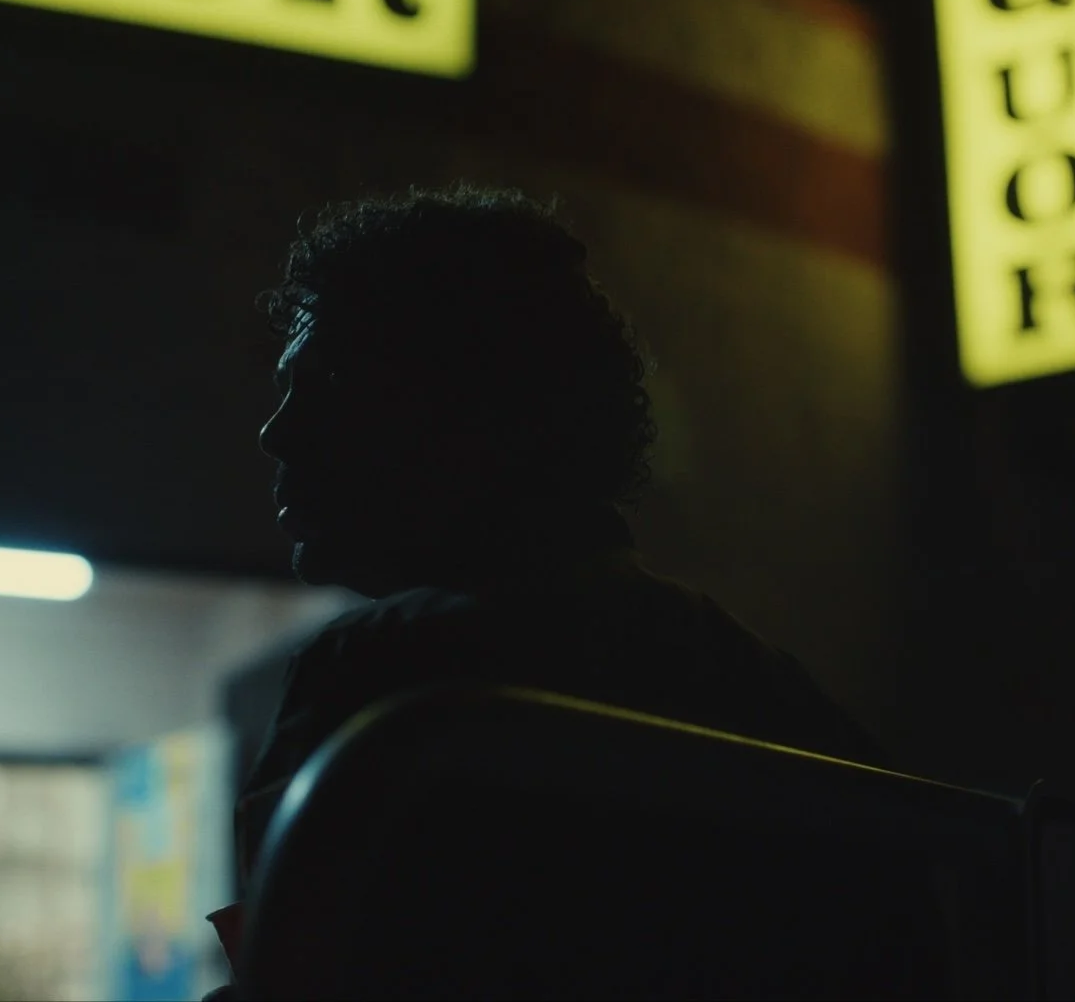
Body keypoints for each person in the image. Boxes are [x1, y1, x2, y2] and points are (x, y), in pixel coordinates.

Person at [206, 185, 912, 999]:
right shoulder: (776, 695)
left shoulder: (381, 675)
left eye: (329, 379)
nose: (276, 431)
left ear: (474, 410)